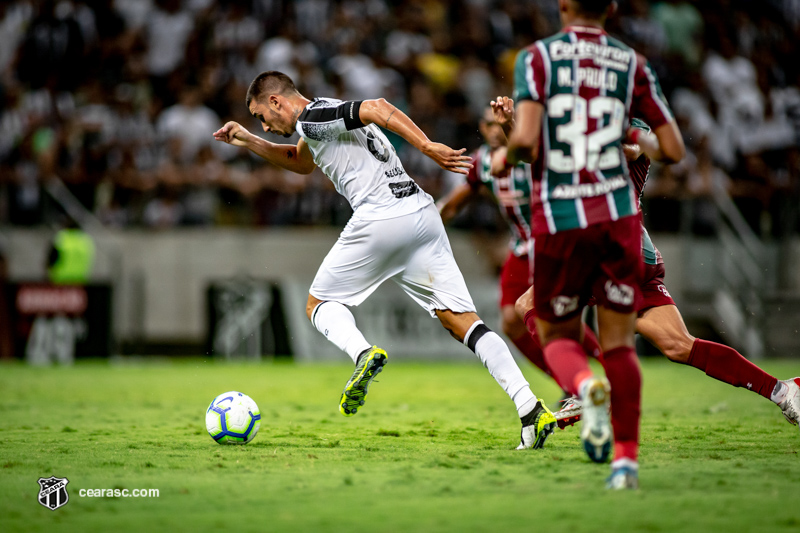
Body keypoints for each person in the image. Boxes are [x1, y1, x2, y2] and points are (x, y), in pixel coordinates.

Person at [212, 71, 557, 449]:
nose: (264, 124)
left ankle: (363, 354)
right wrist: (248, 140)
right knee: (464, 323)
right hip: (421, 215)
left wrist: (427, 147)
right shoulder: (320, 117)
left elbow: (377, 107)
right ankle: (530, 410)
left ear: (276, 101)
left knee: (319, 304)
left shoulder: (312, 119)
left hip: (381, 217)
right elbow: (301, 161)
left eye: (261, 116)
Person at [497, 0, 686, 488]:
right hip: (620, 222)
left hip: (563, 219)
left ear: (562, 7)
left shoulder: (537, 58)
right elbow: (672, 150)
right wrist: (624, 137)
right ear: (613, 8)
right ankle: (625, 464)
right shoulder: (630, 62)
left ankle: (583, 387)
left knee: (550, 327)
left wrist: (504, 155)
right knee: (621, 344)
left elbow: (525, 142)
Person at [437, 104, 601, 429]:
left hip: (551, 240)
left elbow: (530, 155)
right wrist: (426, 217)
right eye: (488, 124)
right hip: (520, 246)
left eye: (500, 123)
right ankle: (574, 386)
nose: (495, 128)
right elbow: (457, 201)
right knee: (511, 322)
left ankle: (595, 369)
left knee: (552, 317)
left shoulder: (529, 148)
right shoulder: (484, 160)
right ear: (482, 130)